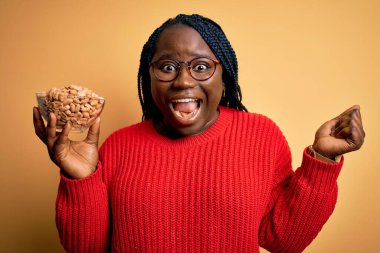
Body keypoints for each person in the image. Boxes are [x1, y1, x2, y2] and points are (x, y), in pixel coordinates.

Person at [33, 14, 365, 253]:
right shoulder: (119, 146)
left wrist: (323, 159)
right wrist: (80, 178)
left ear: (225, 75)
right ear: (148, 77)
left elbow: (284, 241)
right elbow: (87, 249)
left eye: (202, 66)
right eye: (167, 67)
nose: (183, 81)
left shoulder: (261, 135)